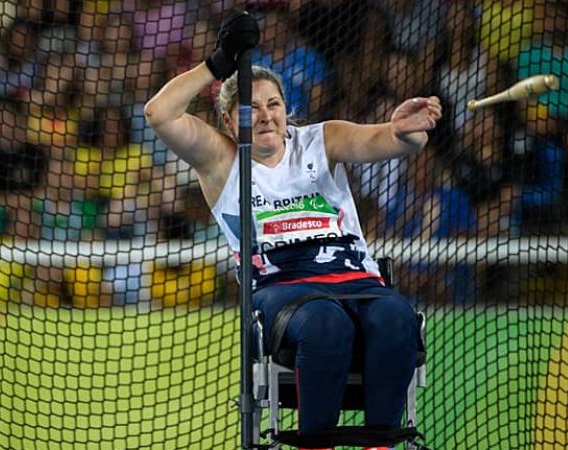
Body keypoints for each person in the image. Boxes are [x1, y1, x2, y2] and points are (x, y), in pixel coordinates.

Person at [145, 9, 442, 447]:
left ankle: (381, 442)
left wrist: (405, 129)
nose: (265, 115)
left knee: (396, 316)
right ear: (229, 121)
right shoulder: (224, 160)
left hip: (356, 279)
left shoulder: (322, 140)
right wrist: (217, 64)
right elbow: (159, 113)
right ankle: (315, 443)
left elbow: (390, 141)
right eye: (251, 107)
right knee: (325, 324)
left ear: (287, 110)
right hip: (282, 288)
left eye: (274, 104)